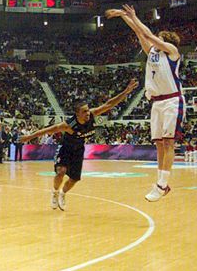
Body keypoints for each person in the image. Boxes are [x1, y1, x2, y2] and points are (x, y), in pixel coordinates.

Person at [22, 79, 138, 210]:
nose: (88, 113)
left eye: (88, 110)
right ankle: (54, 193)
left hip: (79, 150)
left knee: (74, 179)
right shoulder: (68, 125)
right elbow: (48, 130)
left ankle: (62, 193)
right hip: (65, 149)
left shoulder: (92, 116)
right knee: (61, 172)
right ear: (77, 114)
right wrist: (29, 136)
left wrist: (126, 92)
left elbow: (109, 104)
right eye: (84, 111)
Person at [106, 4, 183, 202]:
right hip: (156, 103)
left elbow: (147, 34)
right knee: (158, 144)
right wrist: (123, 16)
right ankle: (160, 183)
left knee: (168, 142)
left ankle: (162, 184)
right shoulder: (153, 53)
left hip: (172, 100)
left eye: (159, 37)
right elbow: (139, 33)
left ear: (165, 40)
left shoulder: (172, 51)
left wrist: (134, 14)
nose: (154, 39)